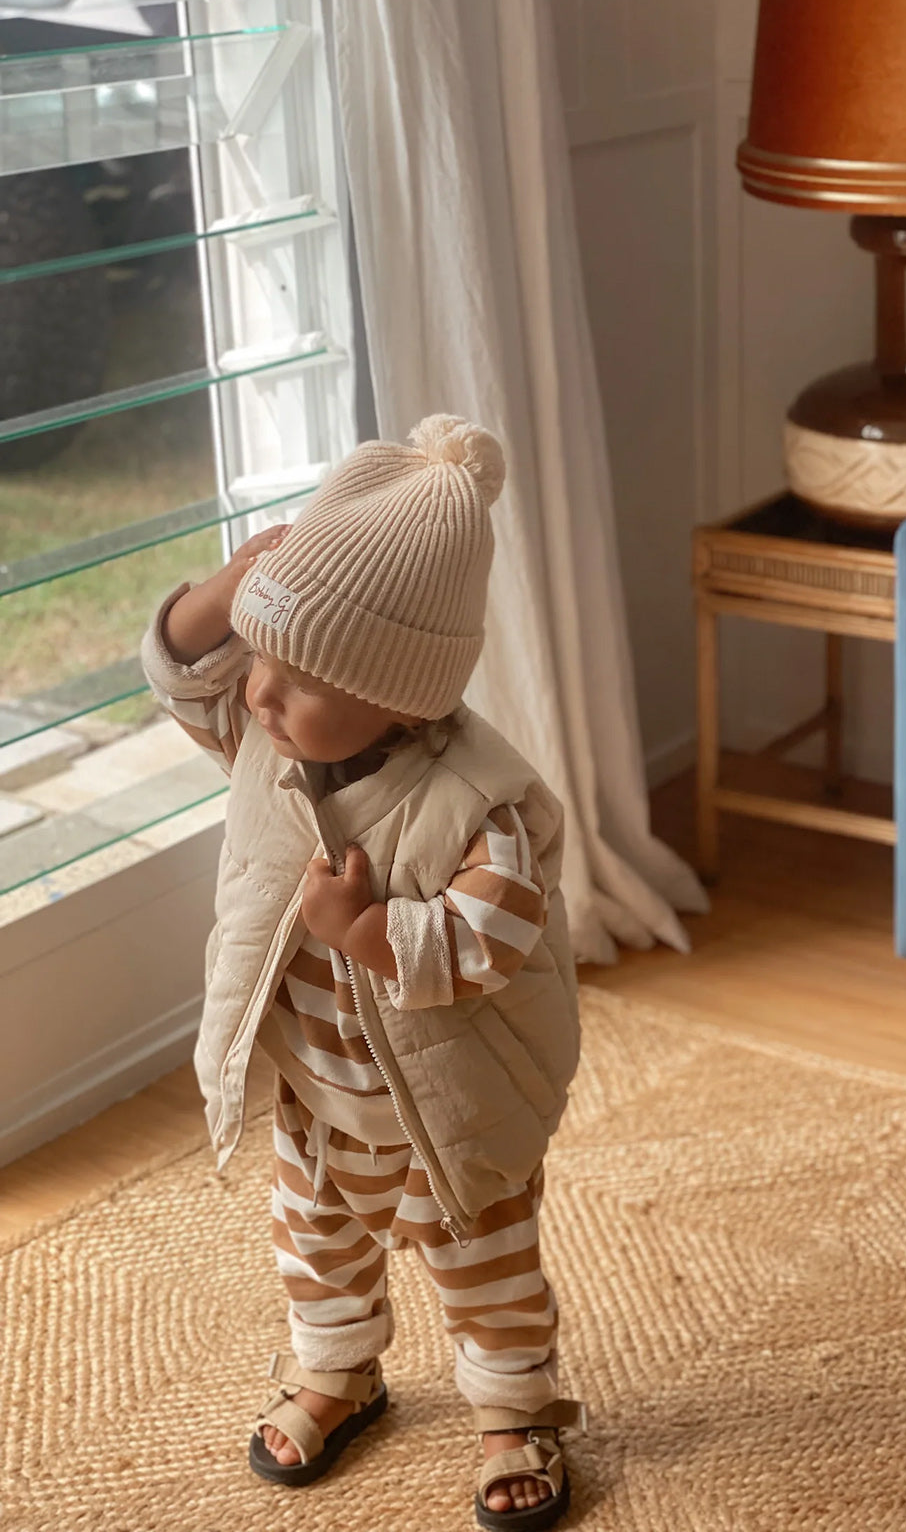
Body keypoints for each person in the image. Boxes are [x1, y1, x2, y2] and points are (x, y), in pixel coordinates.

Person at [141, 416, 585, 1530]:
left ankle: (510, 1410)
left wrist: (374, 931)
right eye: (258, 657)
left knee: (485, 1264)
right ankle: (338, 1373)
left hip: (449, 1105)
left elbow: (495, 938)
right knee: (316, 1246)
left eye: (293, 676)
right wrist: (231, 587)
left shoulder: (476, 801)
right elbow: (184, 676)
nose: (257, 692)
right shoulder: (264, 734)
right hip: (317, 1088)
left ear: (402, 696)